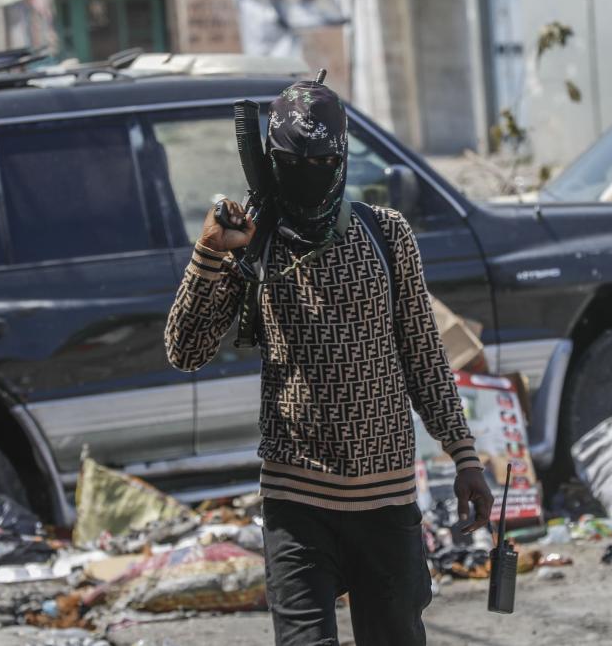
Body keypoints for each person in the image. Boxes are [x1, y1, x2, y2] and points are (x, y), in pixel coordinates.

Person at [165, 77, 493, 646]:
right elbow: (184, 350)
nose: (312, 169)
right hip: (297, 505)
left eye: (324, 158)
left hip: (386, 503)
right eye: (297, 160)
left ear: (341, 159)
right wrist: (211, 254)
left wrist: (465, 456)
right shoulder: (255, 245)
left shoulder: (385, 235)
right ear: (273, 160)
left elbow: (424, 356)